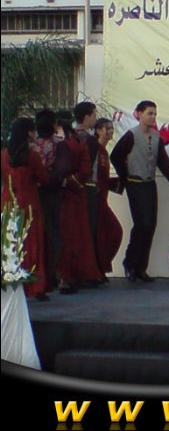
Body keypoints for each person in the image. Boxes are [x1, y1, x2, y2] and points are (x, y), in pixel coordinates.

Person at [110, 100, 169, 282]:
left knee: (151, 225)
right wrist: (125, 174)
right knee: (142, 224)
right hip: (135, 183)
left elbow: (164, 163)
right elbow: (115, 156)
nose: (153, 117)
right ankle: (130, 263)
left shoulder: (156, 136)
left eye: (155, 113)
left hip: (149, 183)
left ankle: (140, 268)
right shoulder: (131, 135)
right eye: (149, 113)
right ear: (139, 114)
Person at [1, 118, 50, 300]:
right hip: (29, 203)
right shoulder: (32, 156)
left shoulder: (4, 155)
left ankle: (11, 283)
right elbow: (44, 178)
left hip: (8, 203)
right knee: (32, 244)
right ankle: (35, 286)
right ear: (28, 132)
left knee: (11, 244)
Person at [55, 111, 104, 288]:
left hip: (68, 194)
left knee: (70, 234)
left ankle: (67, 275)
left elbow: (85, 171)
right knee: (71, 234)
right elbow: (85, 170)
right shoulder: (77, 143)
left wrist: (65, 182)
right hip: (69, 194)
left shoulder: (75, 144)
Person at [34, 109, 72, 293]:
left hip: (32, 192)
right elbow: (64, 169)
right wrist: (50, 180)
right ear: (54, 125)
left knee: (36, 234)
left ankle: (37, 277)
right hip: (51, 193)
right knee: (54, 233)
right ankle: (54, 275)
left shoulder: (30, 145)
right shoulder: (59, 144)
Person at [94, 118, 123, 280]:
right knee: (113, 231)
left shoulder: (104, 152)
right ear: (98, 130)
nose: (111, 131)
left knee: (110, 234)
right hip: (96, 200)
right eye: (107, 128)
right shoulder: (95, 150)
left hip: (103, 200)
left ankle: (101, 267)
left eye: (112, 128)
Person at [74, 101, 99, 248]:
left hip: (70, 185)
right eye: (94, 115)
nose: (95, 118)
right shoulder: (90, 140)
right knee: (89, 227)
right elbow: (88, 166)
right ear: (86, 117)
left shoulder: (69, 136)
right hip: (87, 186)